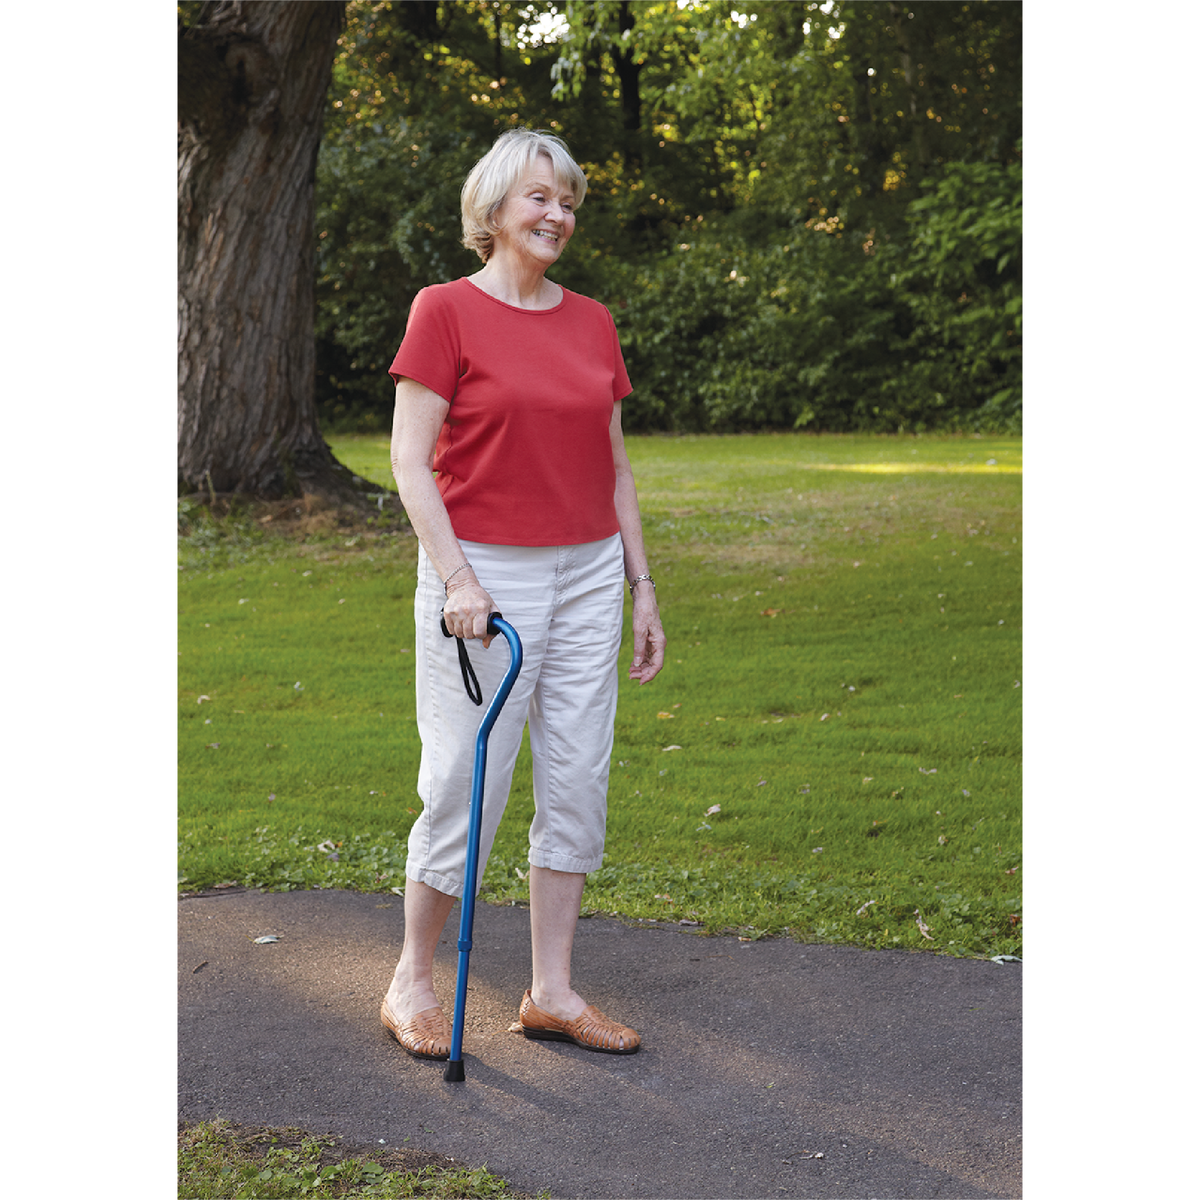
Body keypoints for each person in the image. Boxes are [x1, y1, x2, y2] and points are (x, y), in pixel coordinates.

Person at [381, 128, 665, 1061]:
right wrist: (457, 577)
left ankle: (551, 992)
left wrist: (641, 583)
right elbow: (410, 463)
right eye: (541, 197)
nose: (559, 215)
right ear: (495, 208)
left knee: (578, 779)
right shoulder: (444, 311)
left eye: (570, 201)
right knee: (467, 781)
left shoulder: (592, 320)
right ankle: (411, 982)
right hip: (485, 573)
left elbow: (613, 462)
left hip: (587, 571)